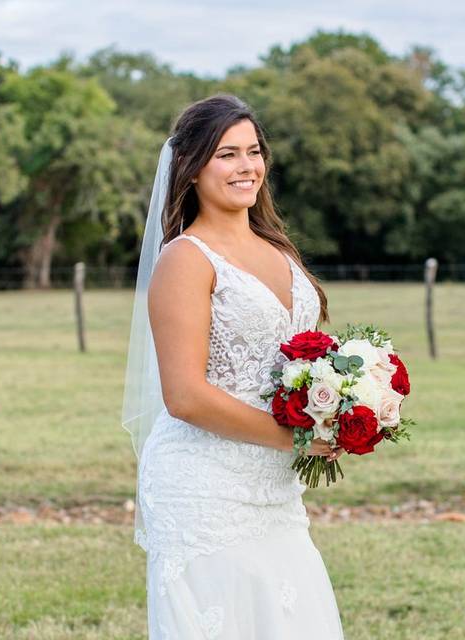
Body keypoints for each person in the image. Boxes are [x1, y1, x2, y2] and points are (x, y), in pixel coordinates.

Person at [121, 94, 345, 638]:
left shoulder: (281, 251)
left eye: (254, 151)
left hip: (274, 489)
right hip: (204, 487)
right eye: (227, 154)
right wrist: (291, 438)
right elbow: (185, 396)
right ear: (192, 168)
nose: (247, 167)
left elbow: (297, 356)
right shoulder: (185, 259)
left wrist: (341, 403)